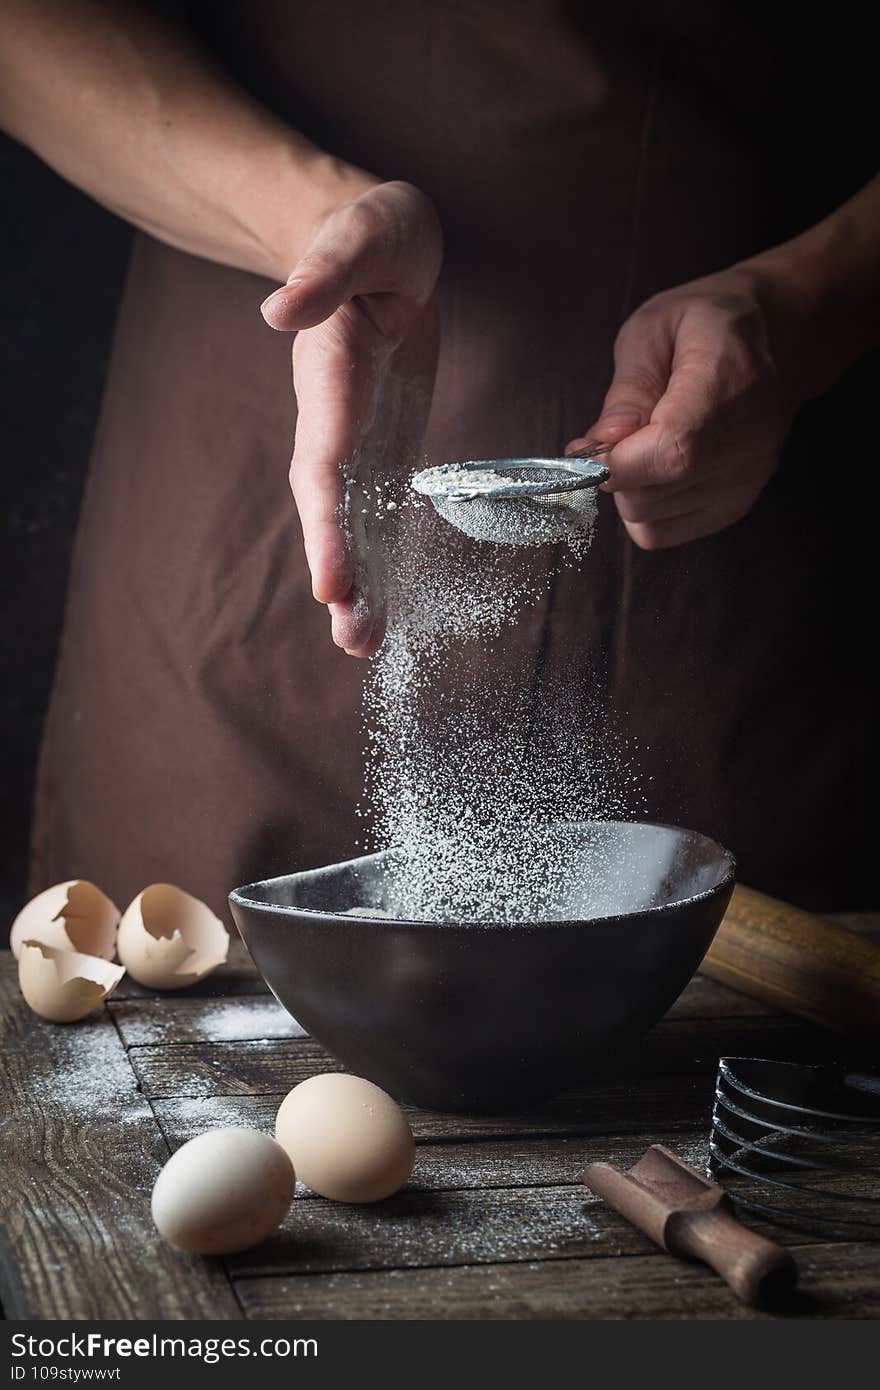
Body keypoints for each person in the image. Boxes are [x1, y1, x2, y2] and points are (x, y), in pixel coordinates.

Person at [2, 1, 877, 916]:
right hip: (274, 393)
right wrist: (310, 218)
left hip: (743, 491)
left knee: (724, 1019)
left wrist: (817, 302)